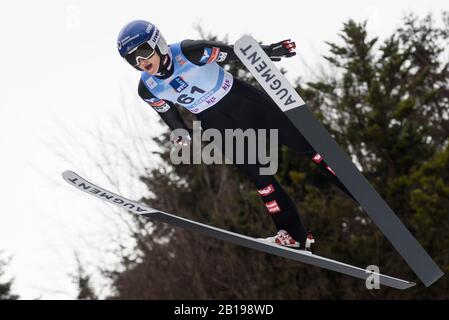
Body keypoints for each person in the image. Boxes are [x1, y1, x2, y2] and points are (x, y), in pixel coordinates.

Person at [117, 20, 354, 250]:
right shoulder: (147, 88)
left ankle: (356, 189)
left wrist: (269, 51)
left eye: (144, 51)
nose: (141, 61)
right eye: (132, 59)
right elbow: (168, 112)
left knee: (305, 146)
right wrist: (180, 133)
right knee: (260, 178)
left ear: (159, 43)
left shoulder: (191, 52)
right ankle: (294, 235)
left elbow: (235, 53)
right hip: (216, 123)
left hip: (243, 102)